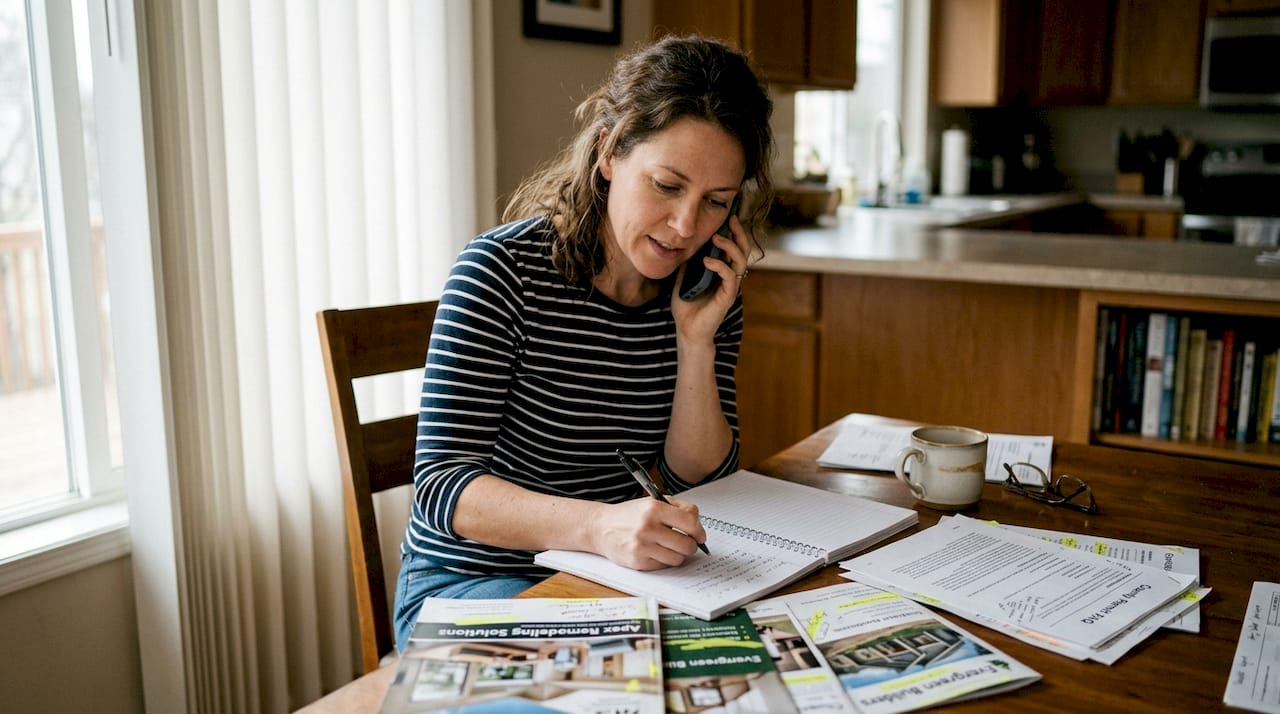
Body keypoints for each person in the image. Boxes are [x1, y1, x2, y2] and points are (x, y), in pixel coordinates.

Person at [392, 34, 775, 652]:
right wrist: (598, 526)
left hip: (606, 575)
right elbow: (440, 485)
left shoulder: (703, 289)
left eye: (716, 203)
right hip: (472, 579)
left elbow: (698, 476)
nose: (685, 227)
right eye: (666, 185)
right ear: (607, 153)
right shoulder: (501, 272)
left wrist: (695, 341)